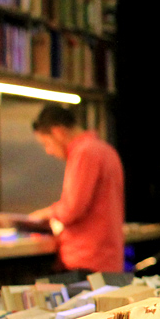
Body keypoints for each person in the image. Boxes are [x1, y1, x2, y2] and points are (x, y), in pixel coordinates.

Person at [28, 104, 125, 273]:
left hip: (88, 259)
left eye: (46, 143)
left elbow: (72, 209)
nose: (48, 151)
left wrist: (45, 214)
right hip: (107, 257)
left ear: (58, 132)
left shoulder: (84, 152)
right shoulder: (105, 149)